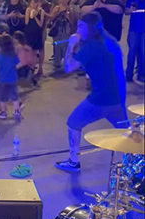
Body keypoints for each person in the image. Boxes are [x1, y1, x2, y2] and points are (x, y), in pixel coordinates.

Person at [55, 13, 128, 173]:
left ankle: (73, 161)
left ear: (90, 28)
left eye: (81, 26)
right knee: (127, 134)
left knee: (73, 123)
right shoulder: (110, 41)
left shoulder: (91, 47)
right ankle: (131, 168)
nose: (78, 30)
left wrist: (71, 46)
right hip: (117, 97)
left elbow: (68, 67)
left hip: (99, 99)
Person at [0, 36, 22, 121]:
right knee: (15, 97)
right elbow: (19, 65)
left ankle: (3, 112)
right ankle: (17, 111)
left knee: (2, 98)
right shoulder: (13, 55)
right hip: (12, 79)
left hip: (2, 80)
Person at [123, 0, 144, 83]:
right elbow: (126, 11)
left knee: (143, 52)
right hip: (134, 29)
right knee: (132, 52)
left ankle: (142, 74)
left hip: (143, 29)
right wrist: (130, 10)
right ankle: (129, 75)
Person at [49, 0, 75, 71]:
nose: (63, 1)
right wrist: (57, 13)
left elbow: (73, 22)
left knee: (65, 47)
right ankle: (57, 63)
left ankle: (66, 63)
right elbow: (51, 17)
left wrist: (68, 17)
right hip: (57, 30)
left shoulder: (70, 9)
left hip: (66, 31)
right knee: (57, 46)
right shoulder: (57, 8)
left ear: (67, 0)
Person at [24, 0, 47, 78]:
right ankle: (31, 68)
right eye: (31, 3)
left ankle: (39, 68)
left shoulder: (41, 12)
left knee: (38, 50)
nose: (33, 4)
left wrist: (35, 17)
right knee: (31, 51)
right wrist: (30, 15)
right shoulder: (28, 10)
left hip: (37, 33)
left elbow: (41, 24)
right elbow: (26, 22)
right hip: (29, 32)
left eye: (35, 3)